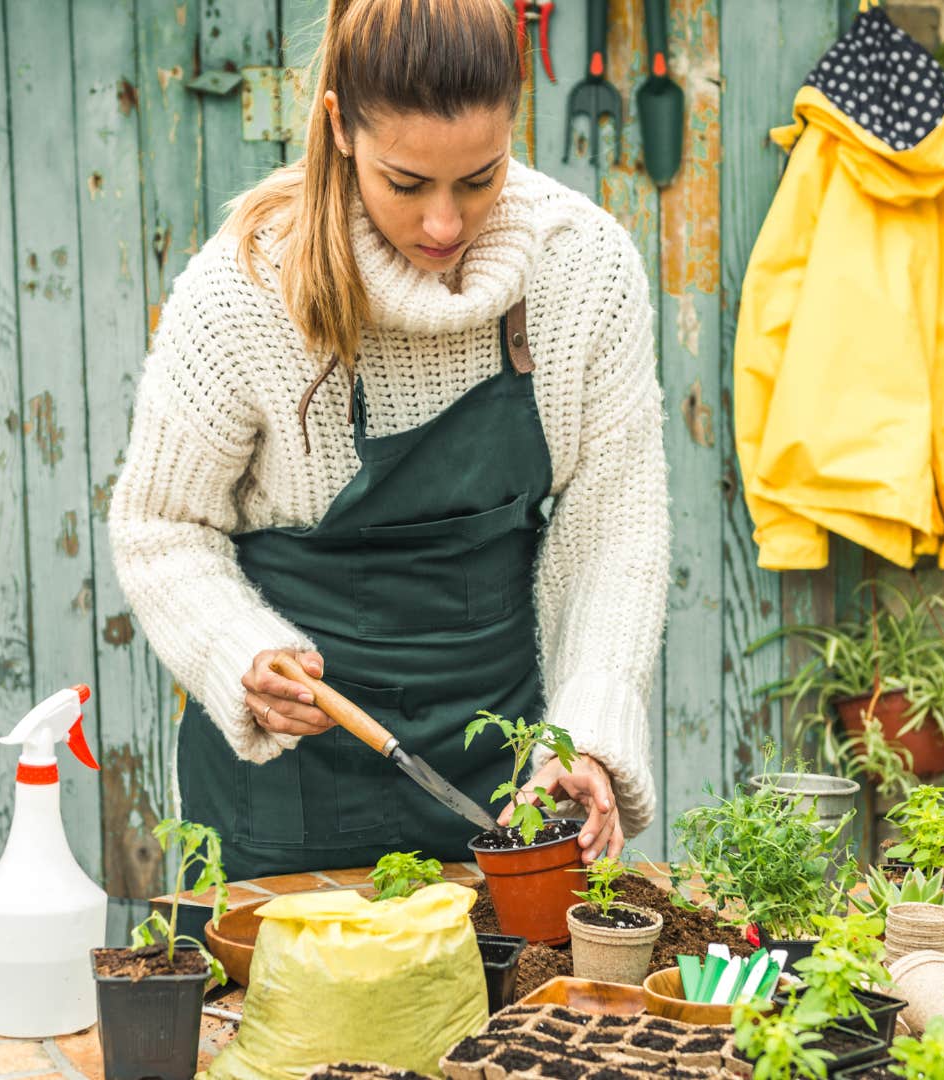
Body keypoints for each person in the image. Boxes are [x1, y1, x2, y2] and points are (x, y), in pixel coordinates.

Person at [108, 0, 668, 881]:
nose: (444, 225)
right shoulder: (245, 289)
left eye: (479, 178)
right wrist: (238, 652)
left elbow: (614, 523)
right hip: (286, 800)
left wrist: (583, 732)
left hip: (508, 788)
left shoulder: (583, 268)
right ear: (339, 126)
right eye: (406, 184)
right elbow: (160, 527)